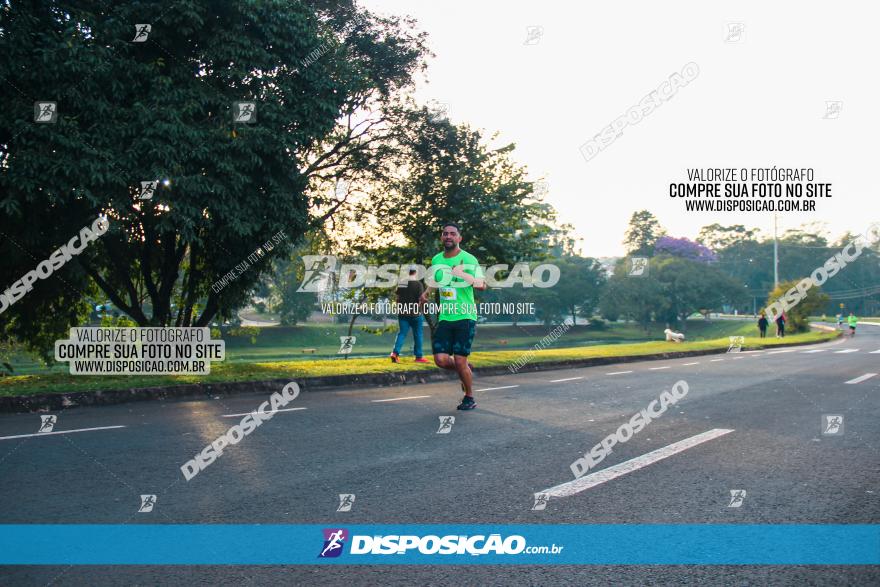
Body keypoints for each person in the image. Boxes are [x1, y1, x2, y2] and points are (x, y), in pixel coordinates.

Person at [420, 222, 486, 410]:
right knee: (440, 360)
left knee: (458, 359)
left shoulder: (469, 259)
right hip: (445, 318)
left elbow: (481, 285)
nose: (448, 236)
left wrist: (462, 274)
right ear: (442, 237)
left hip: (465, 316)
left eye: (452, 234)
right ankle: (466, 369)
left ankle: (469, 397)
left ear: (459, 238)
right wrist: (427, 292)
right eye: (445, 233)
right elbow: (435, 279)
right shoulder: (436, 260)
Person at [390, 268, 428, 363]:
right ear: (415, 272)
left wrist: (399, 309)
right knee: (418, 335)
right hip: (416, 314)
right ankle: (418, 357)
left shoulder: (402, 282)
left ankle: (395, 353)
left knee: (402, 333)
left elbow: (397, 299)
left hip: (403, 313)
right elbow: (421, 299)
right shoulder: (418, 284)